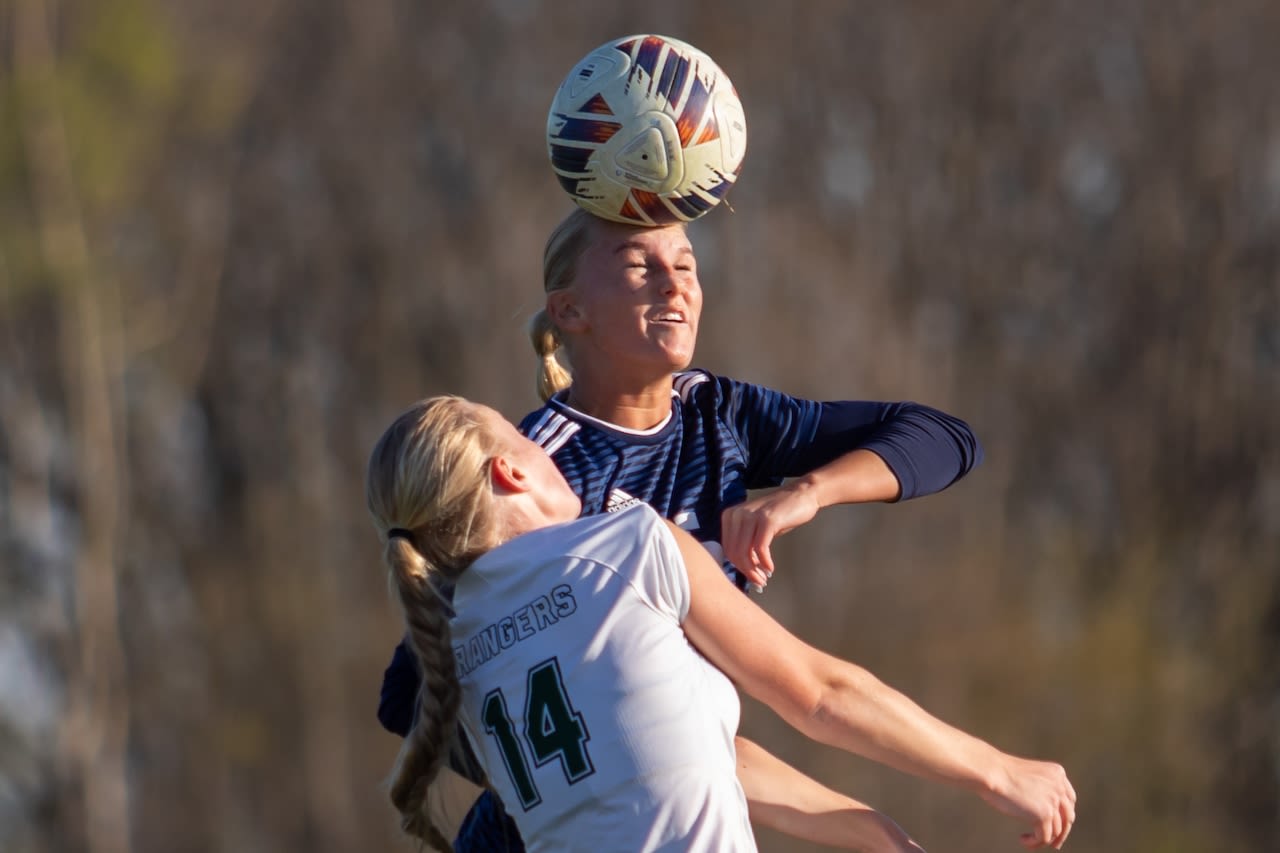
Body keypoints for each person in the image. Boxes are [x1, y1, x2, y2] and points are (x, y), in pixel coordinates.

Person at [378, 207, 989, 850]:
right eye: (640, 266)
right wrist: (578, 768)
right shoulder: (536, 483)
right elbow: (406, 694)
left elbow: (941, 438)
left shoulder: (713, 414)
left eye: (686, 263)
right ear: (569, 311)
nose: (673, 284)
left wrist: (808, 493)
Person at [366, 395, 1076, 852]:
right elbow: (820, 694)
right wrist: (997, 769)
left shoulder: (453, 649)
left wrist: (873, 832)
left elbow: (682, 751)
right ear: (511, 474)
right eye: (531, 445)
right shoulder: (624, 544)